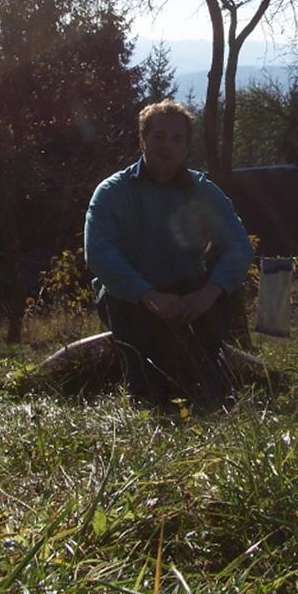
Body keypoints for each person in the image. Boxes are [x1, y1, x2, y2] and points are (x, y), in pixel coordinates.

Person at [84, 100, 254, 410]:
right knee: (147, 392)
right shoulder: (112, 192)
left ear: (187, 146)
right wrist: (147, 295)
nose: (167, 146)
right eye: (159, 136)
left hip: (190, 297)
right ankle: (143, 391)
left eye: (177, 138)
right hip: (131, 298)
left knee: (209, 388)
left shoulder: (203, 191)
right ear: (142, 140)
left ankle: (211, 382)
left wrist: (209, 293)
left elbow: (239, 246)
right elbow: (98, 253)